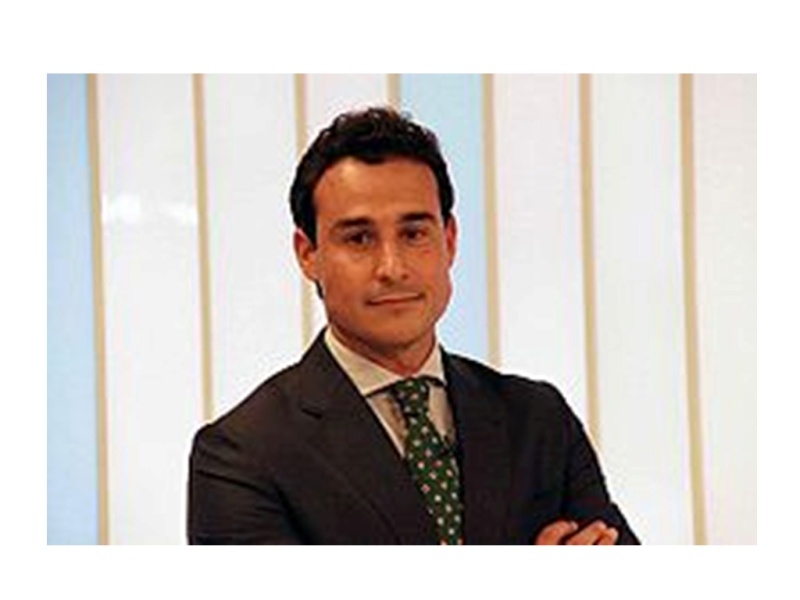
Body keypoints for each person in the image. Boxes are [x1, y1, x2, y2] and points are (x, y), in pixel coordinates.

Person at [187, 106, 639, 545]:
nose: (392, 267)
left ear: (449, 240)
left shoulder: (538, 420)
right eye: (359, 238)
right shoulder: (242, 456)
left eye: (414, 234)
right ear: (308, 254)